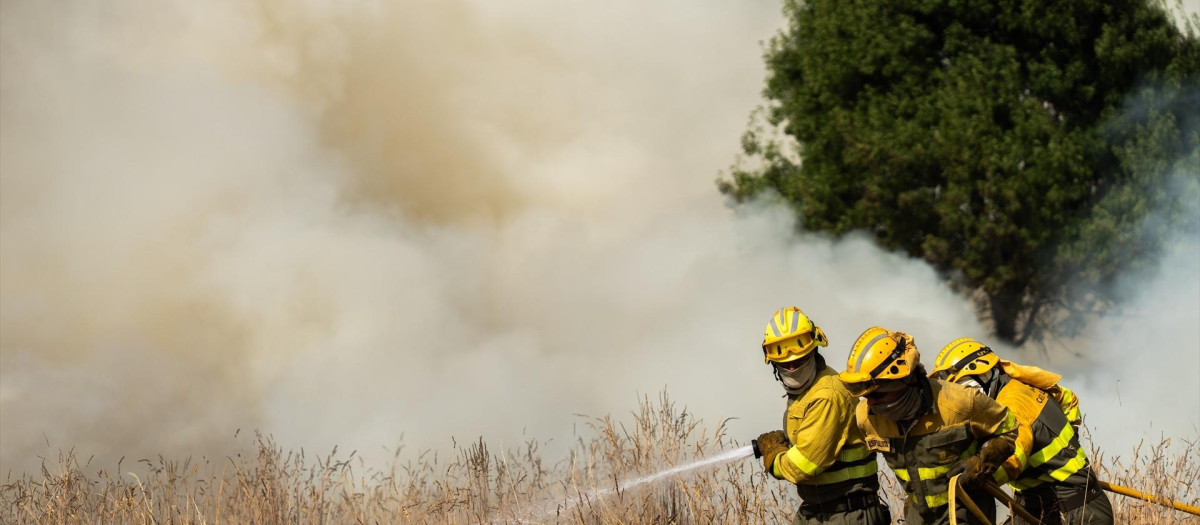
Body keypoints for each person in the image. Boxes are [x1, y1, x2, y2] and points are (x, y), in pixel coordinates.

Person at [838, 327, 1019, 525]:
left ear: (905, 380)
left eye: (877, 394)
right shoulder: (866, 418)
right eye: (865, 396)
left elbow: (1008, 426)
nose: (870, 402)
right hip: (918, 514)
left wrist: (982, 463)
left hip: (965, 507)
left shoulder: (960, 402)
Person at [930, 338, 1114, 524]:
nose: (966, 400)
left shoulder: (1012, 404)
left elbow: (1014, 456)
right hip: (1038, 504)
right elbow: (1067, 399)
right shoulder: (1018, 383)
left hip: (1076, 511)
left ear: (984, 375)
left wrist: (979, 474)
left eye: (967, 390)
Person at [752, 307, 890, 524]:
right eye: (785, 363)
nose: (792, 367)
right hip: (822, 509)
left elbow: (801, 467)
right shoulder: (807, 391)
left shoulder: (826, 396)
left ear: (814, 350)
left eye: (799, 360)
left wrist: (774, 454)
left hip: (846, 514)